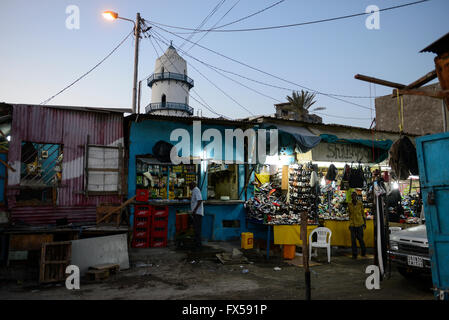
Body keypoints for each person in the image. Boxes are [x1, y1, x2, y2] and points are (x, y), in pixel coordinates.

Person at [347, 191, 366, 259]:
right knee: (353, 240)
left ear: (356, 196)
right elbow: (349, 214)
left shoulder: (360, 203)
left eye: (354, 196)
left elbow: (363, 213)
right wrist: (350, 224)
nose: (353, 197)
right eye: (352, 196)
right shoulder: (349, 204)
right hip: (352, 224)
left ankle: (363, 251)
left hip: (360, 223)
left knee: (360, 239)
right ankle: (354, 254)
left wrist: (364, 223)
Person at [189, 181, 203, 250]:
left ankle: (198, 245)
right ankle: (197, 244)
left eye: (190, 186)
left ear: (193, 185)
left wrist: (194, 210)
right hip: (196, 213)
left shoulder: (196, 190)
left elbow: (200, 201)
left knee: (197, 229)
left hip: (197, 213)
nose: (189, 187)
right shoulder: (194, 190)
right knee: (196, 229)